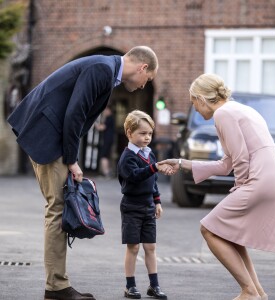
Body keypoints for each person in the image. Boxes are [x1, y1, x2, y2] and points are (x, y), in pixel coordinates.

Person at [7, 46, 159, 300]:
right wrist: (72, 159)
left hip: (49, 135)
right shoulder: (102, 69)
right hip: (48, 137)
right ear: (142, 68)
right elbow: (74, 113)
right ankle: (56, 287)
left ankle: (57, 285)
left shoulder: (106, 69)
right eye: (149, 79)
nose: (145, 85)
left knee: (58, 207)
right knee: (57, 208)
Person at [159, 73, 275, 300]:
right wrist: (181, 163)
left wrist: (241, 186)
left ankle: (249, 291)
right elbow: (226, 163)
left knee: (209, 228)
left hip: (260, 177)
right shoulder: (240, 109)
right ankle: (258, 292)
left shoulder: (223, 114)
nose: (196, 110)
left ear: (202, 99)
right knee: (230, 233)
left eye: (194, 103)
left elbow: (240, 159)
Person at [117, 110, 169, 299]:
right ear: (130, 133)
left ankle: (154, 285)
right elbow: (135, 176)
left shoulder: (149, 154)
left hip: (148, 206)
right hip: (131, 206)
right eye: (142, 133)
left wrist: (157, 201)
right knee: (133, 247)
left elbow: (152, 180)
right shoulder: (127, 157)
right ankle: (130, 285)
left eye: (149, 133)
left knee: (150, 247)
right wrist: (154, 167)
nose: (147, 137)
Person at [94, 106, 115, 177]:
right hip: (109, 140)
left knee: (103, 155)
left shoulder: (109, 118)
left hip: (107, 140)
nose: (104, 112)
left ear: (109, 110)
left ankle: (106, 172)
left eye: (105, 111)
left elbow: (102, 128)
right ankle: (107, 172)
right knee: (106, 155)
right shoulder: (110, 118)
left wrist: (95, 123)